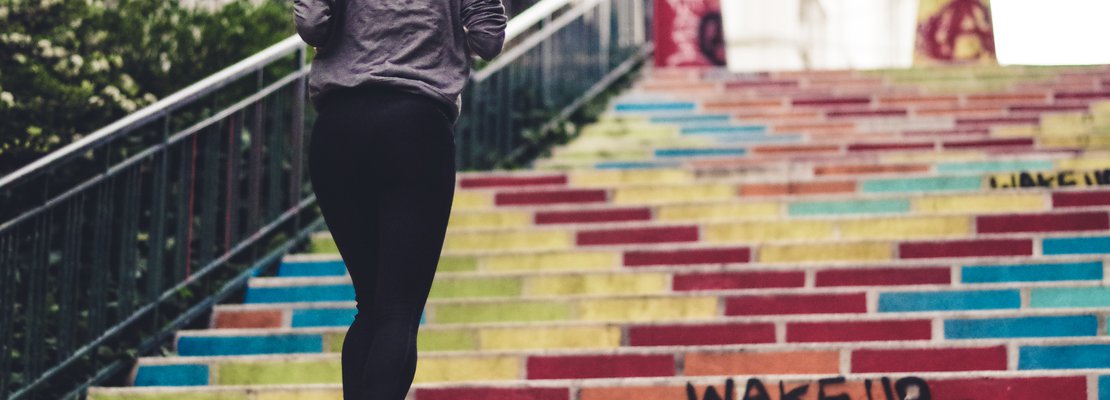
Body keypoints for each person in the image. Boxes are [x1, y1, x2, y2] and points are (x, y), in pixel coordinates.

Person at [292, 0, 507, 398]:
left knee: (370, 306)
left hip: (338, 130)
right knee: (397, 312)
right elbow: (488, 38)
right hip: (415, 126)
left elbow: (312, 24)